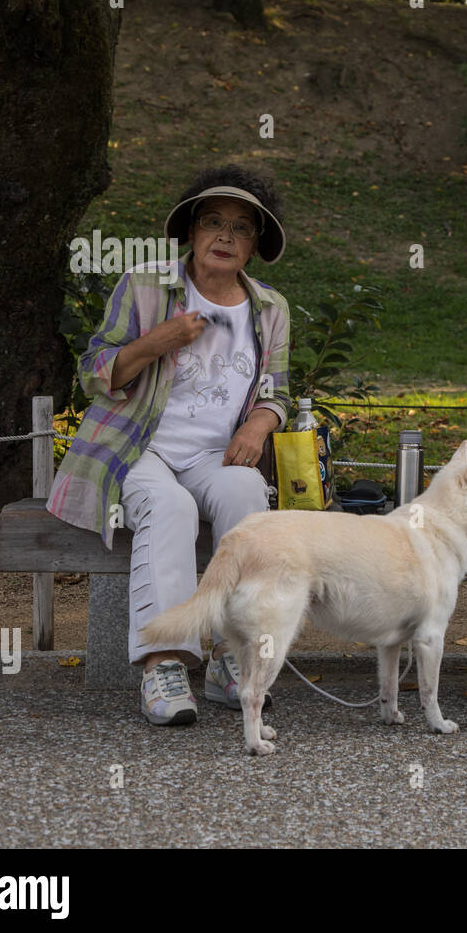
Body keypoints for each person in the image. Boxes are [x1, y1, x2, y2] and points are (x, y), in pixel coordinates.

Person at [47, 165, 291, 727]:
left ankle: (231, 661)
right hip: (138, 447)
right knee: (171, 506)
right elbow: (93, 373)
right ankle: (165, 663)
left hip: (215, 454)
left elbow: (276, 388)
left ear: (255, 246)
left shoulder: (271, 308)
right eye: (213, 222)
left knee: (248, 496)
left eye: (241, 228)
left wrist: (258, 425)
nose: (225, 236)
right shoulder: (145, 284)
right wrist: (156, 341)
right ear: (192, 231)